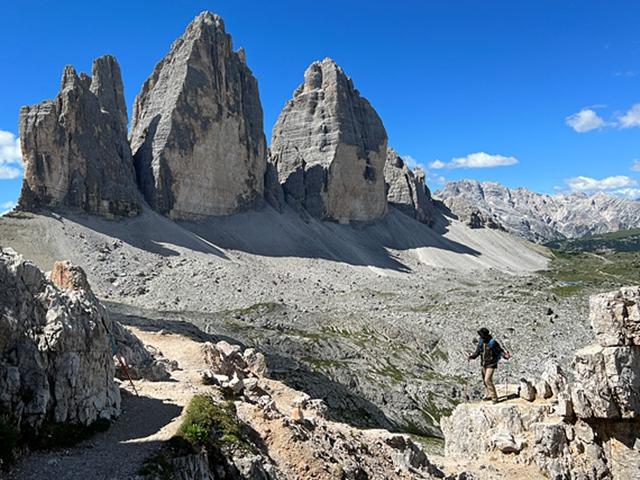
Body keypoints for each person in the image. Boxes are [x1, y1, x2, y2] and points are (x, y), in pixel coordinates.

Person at [468, 327, 510, 403]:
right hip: (484, 364)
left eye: (481, 335)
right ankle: (489, 395)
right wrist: (472, 357)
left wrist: (505, 356)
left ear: (485, 335)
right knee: (485, 381)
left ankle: (494, 398)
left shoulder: (492, 343)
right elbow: (477, 352)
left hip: (491, 364)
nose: (480, 337)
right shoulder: (481, 342)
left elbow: (500, 351)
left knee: (487, 379)